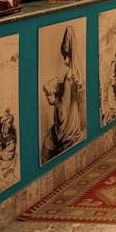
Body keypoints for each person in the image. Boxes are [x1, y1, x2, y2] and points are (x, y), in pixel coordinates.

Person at [41, 25, 84, 162]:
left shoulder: (70, 74)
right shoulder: (70, 71)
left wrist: (52, 97)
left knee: (49, 148)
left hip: (67, 120)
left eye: (66, 43)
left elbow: (64, 106)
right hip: (69, 118)